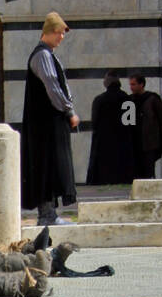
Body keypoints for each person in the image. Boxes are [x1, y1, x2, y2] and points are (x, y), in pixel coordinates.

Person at [21, 12, 79, 226]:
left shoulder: (47, 54)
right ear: (51, 32)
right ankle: (46, 215)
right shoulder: (43, 55)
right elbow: (52, 86)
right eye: (59, 33)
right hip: (45, 125)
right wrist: (69, 110)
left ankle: (49, 214)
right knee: (46, 165)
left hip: (47, 123)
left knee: (51, 165)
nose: (62, 37)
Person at [86, 72, 136, 186]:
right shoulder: (127, 100)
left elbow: (95, 123)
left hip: (104, 143)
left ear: (107, 83)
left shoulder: (99, 100)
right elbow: (131, 123)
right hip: (123, 143)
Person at [129, 73, 162, 180]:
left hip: (149, 142)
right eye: (130, 85)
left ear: (141, 84)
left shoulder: (153, 99)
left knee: (149, 169)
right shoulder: (130, 100)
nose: (131, 87)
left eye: (134, 84)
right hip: (135, 141)